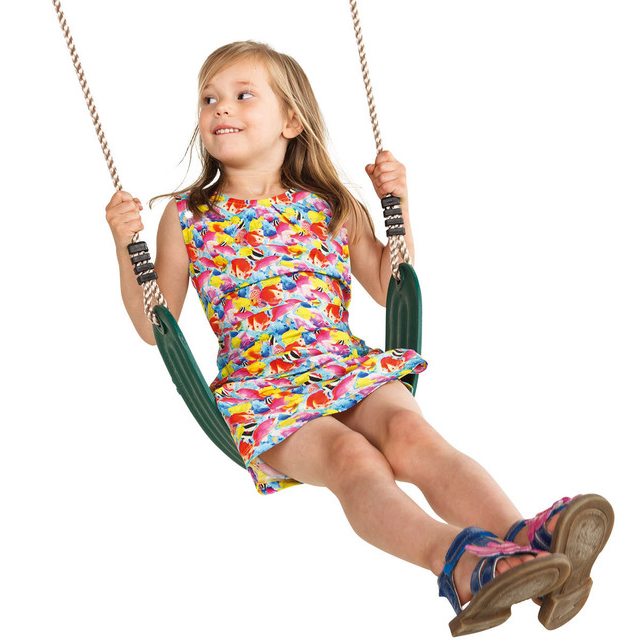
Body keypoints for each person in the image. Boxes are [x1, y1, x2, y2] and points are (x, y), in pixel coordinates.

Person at [105, 41, 613, 635]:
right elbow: (155, 324)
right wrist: (124, 243)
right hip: (261, 391)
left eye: (243, 95)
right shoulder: (186, 215)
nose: (221, 107)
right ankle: (461, 564)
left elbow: (387, 284)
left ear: (291, 120)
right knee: (352, 459)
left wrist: (396, 204)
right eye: (209, 98)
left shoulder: (332, 206)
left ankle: (527, 544)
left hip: (345, 365)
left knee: (411, 434)